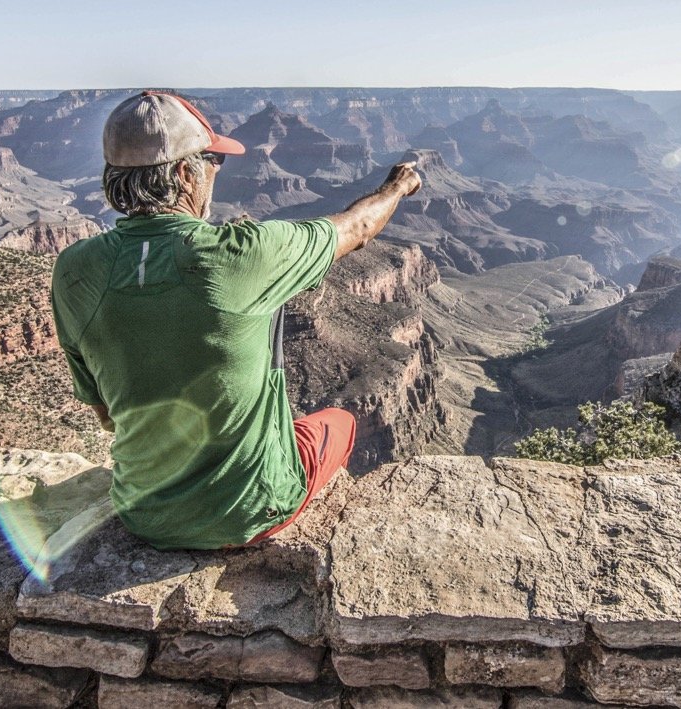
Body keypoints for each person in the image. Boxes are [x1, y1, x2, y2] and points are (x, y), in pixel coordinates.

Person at [50, 90, 422, 549]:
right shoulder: (241, 253)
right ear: (186, 174)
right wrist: (397, 187)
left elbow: (107, 415)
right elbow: (357, 228)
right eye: (212, 162)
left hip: (143, 515)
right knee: (341, 423)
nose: (215, 173)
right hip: (251, 513)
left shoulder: (73, 268)